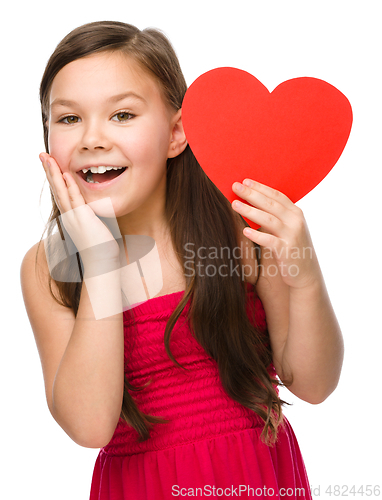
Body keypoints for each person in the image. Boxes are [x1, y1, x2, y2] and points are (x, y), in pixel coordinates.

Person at [20, 20, 344, 499]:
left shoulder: (239, 229)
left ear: (176, 133)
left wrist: (306, 273)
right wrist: (100, 262)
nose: (92, 138)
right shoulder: (49, 267)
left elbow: (315, 383)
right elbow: (90, 426)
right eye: (68, 119)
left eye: (122, 115)